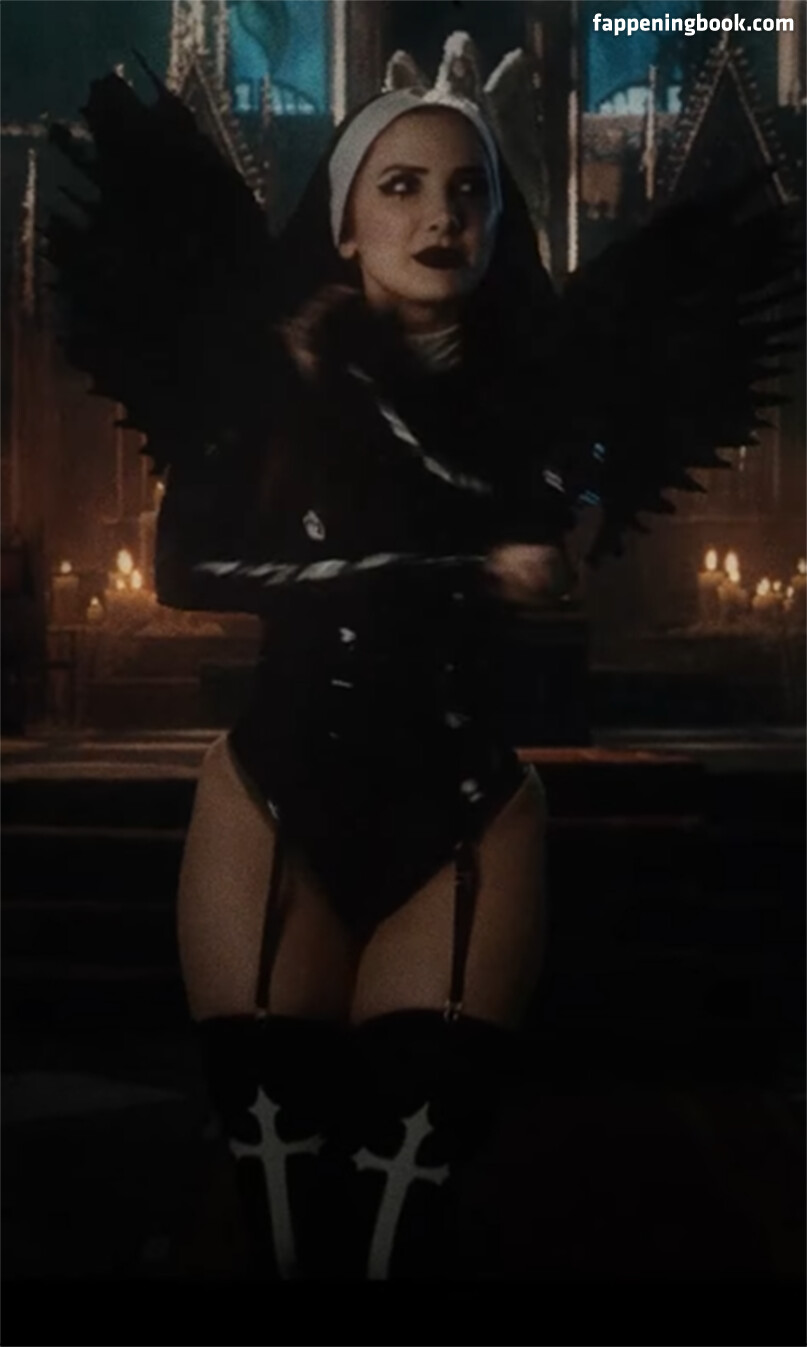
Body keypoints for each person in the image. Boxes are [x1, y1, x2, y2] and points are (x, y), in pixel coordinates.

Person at [163, 87, 574, 1281]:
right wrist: (443, 566)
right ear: (345, 223)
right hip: (274, 802)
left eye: (469, 190)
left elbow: (560, 535)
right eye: (402, 187)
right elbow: (183, 569)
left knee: (404, 1220)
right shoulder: (265, 382)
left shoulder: (536, 401)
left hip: (466, 817)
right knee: (285, 1212)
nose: (442, 216)